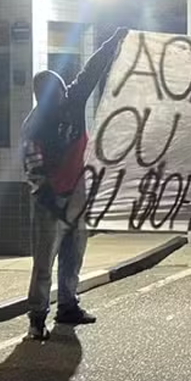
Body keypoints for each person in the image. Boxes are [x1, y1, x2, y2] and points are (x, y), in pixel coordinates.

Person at [22, 27, 129, 340]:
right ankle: (36, 319)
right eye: (55, 92)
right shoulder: (34, 125)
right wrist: (54, 202)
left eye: (61, 88)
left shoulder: (73, 100)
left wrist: (114, 41)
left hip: (77, 197)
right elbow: (34, 170)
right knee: (44, 263)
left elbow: (91, 70)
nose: (63, 93)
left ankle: (68, 306)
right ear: (42, 98)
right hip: (49, 203)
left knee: (74, 255)